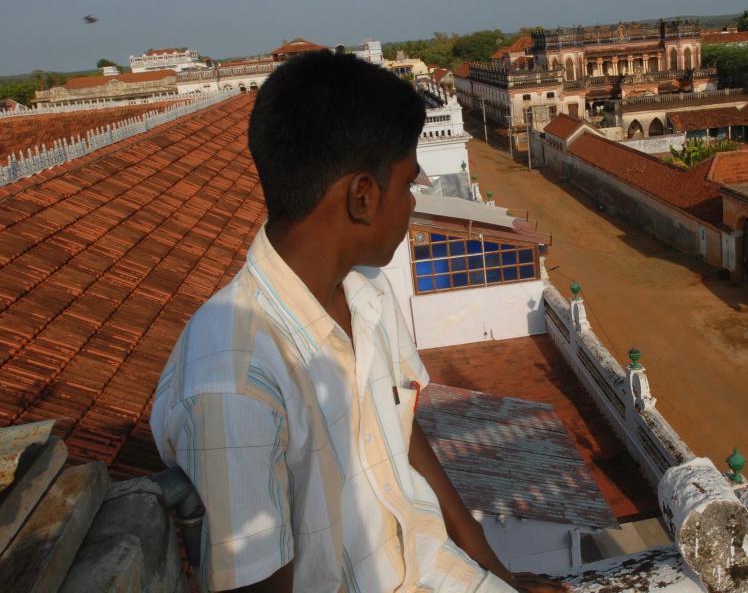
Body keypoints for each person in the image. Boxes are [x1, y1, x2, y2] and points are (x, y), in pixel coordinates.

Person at [151, 52, 567, 593]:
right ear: (363, 197)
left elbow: (402, 429)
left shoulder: (366, 292)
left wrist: (498, 574)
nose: (414, 203)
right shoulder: (233, 382)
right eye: (407, 186)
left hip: (435, 574)